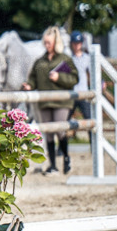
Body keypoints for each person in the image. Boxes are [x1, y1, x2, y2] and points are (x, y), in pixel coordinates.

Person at [23, 26, 78, 174]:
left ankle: (66, 158)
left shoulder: (64, 59)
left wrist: (59, 77)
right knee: (48, 132)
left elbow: (74, 78)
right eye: (45, 42)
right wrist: (29, 86)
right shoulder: (40, 61)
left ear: (55, 42)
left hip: (61, 101)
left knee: (60, 130)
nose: (46, 45)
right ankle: (52, 165)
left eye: (49, 42)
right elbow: (33, 78)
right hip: (44, 101)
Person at [68, 31, 93, 145]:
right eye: (74, 43)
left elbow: (93, 73)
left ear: (81, 44)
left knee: (89, 119)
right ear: (72, 44)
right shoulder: (68, 58)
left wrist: (101, 82)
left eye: (78, 43)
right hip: (72, 93)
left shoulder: (87, 58)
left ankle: (93, 145)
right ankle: (61, 148)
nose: (77, 45)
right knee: (65, 120)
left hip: (83, 92)